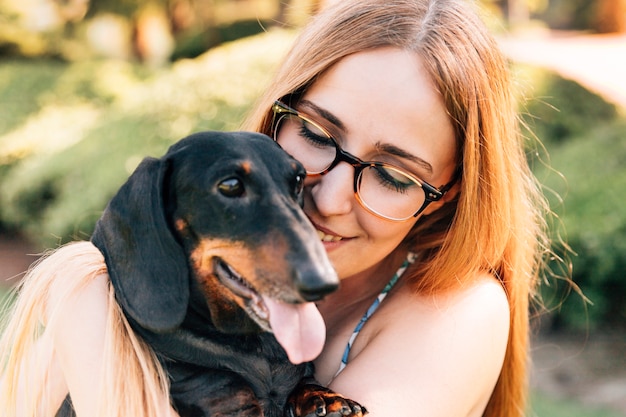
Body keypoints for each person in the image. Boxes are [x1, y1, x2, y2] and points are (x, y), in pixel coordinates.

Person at [0, 0, 557, 416]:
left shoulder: (459, 314)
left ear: (447, 196)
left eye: (392, 175)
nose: (328, 198)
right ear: (276, 115)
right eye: (315, 134)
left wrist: (86, 320)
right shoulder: (177, 271)